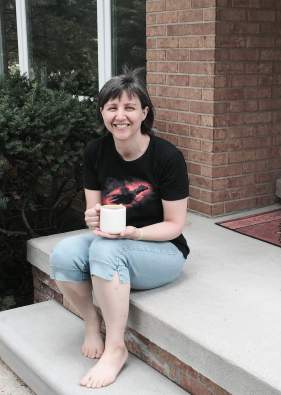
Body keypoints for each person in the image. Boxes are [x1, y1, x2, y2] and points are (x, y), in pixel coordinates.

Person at [50, 69, 190, 389]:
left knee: (105, 248)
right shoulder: (95, 152)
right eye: (112, 107)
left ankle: (116, 348)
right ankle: (90, 322)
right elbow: (93, 211)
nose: (120, 116)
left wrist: (135, 233)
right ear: (102, 112)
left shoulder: (167, 157)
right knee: (63, 255)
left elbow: (175, 225)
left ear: (144, 112)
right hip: (112, 244)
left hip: (162, 250)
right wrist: (92, 219)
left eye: (129, 107)